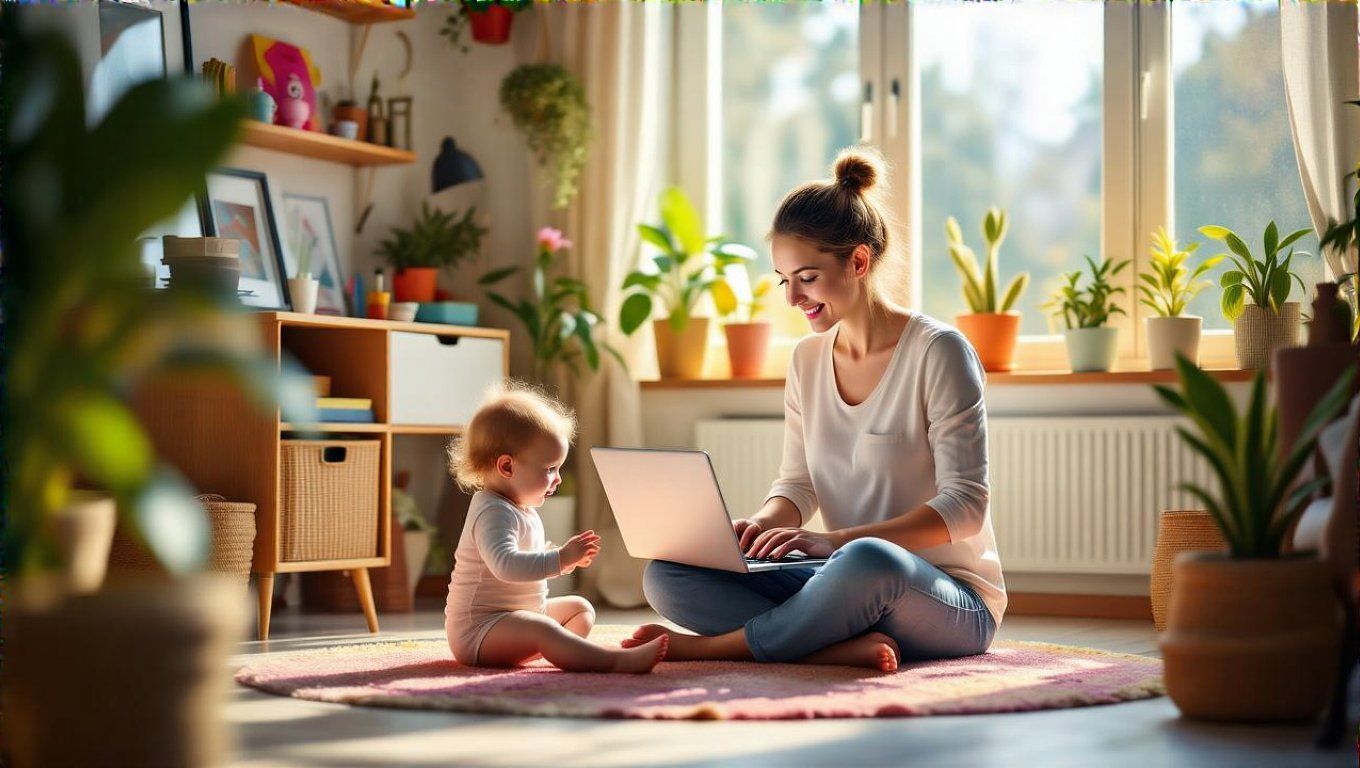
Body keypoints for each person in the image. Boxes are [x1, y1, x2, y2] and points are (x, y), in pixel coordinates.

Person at [626, 148, 1006, 672]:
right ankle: (831, 643)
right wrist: (757, 531)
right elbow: (798, 487)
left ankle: (722, 647)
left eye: (806, 276)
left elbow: (965, 508)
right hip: (839, 575)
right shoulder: (806, 359)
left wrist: (832, 543)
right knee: (667, 574)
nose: (792, 297)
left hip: (946, 598)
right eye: (784, 279)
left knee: (868, 559)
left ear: (857, 261)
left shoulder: (939, 351)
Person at [445, 383, 668, 673]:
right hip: (480, 631)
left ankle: (564, 651)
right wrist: (560, 558)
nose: (558, 479)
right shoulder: (492, 512)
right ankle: (611, 662)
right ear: (507, 467)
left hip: (520, 615)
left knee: (580, 609)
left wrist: (561, 559)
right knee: (542, 629)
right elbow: (506, 566)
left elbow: (526, 559)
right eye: (550, 469)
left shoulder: (519, 508)